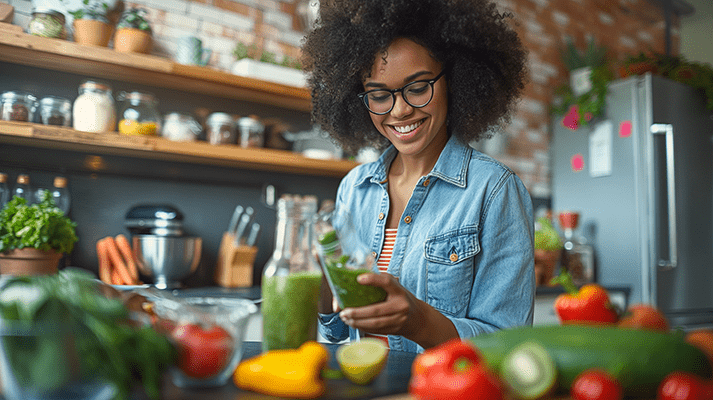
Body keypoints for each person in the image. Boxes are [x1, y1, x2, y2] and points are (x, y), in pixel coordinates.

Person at [302, 0, 535, 353]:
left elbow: (509, 343)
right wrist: (323, 289)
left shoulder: (493, 191)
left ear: (454, 80)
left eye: (418, 87)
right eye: (379, 94)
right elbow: (337, 334)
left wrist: (419, 322)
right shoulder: (355, 188)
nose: (399, 110)